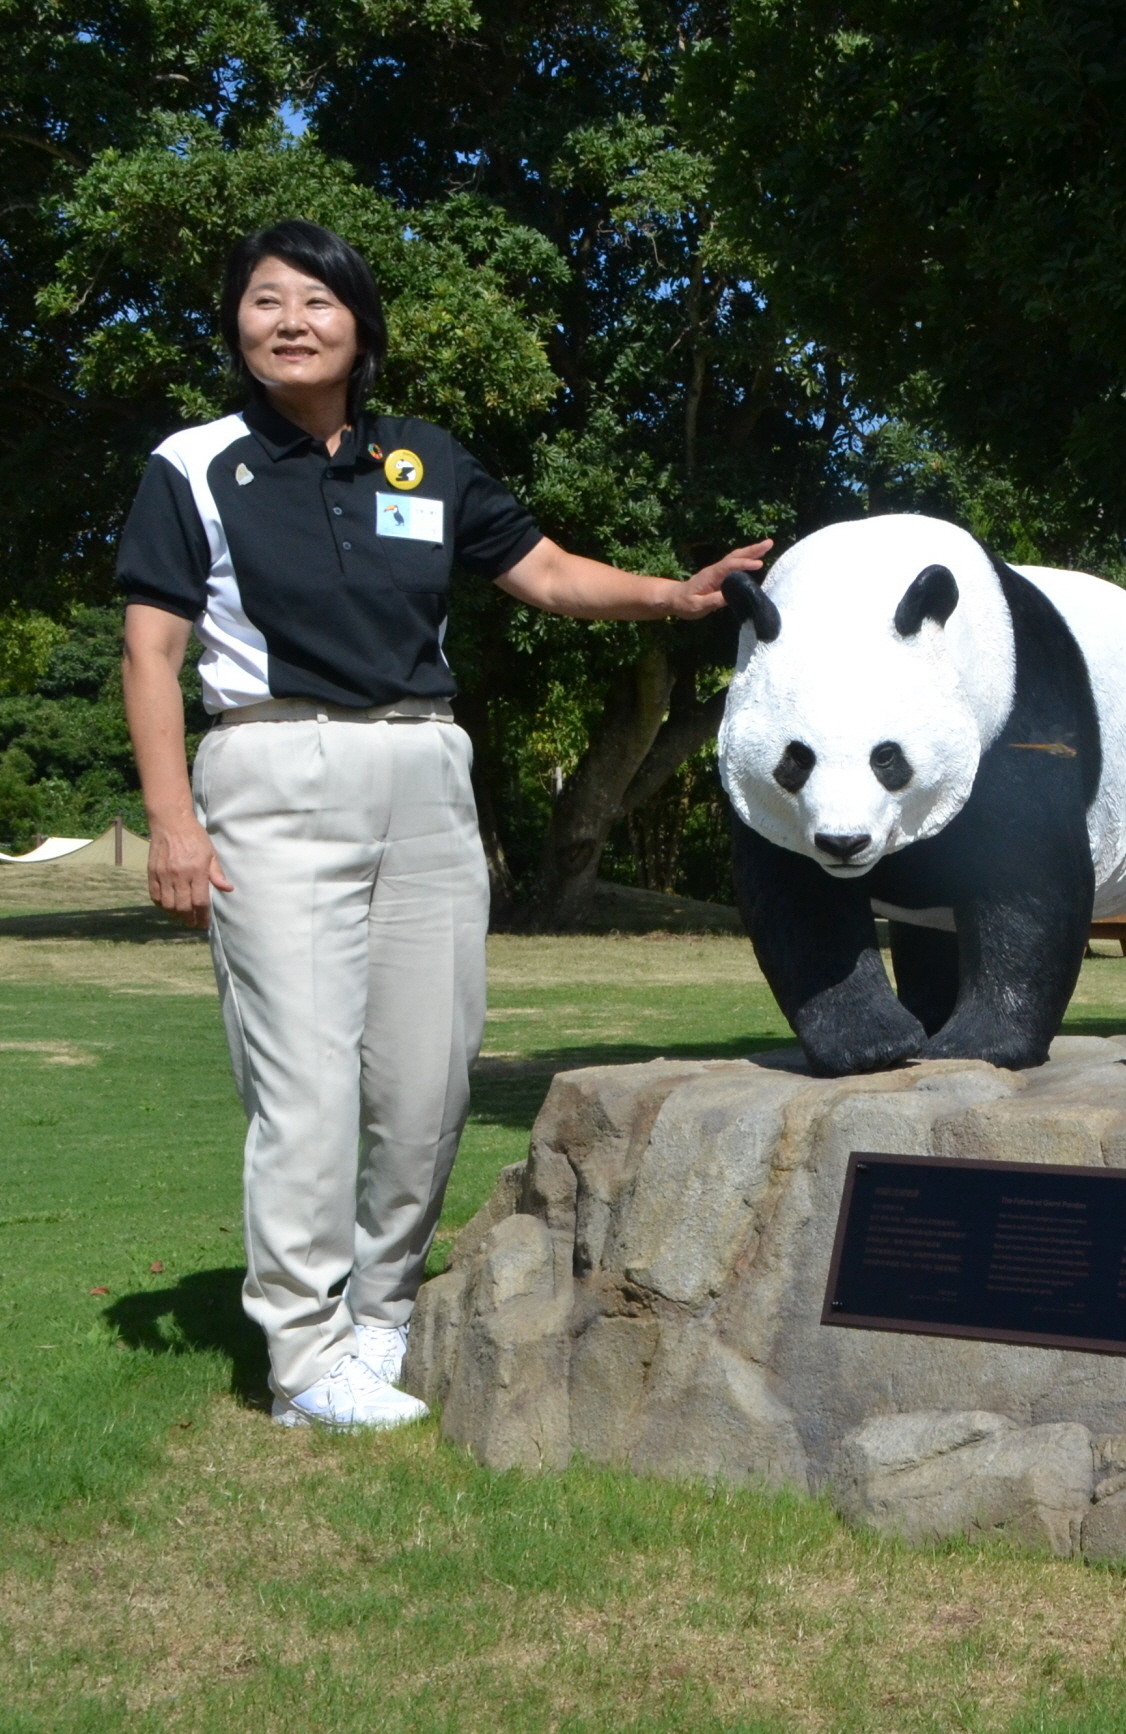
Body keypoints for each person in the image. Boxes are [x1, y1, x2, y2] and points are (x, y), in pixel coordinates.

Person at [117, 220, 771, 1430]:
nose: (291, 321)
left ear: (359, 325)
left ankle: (379, 1314)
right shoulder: (193, 464)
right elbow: (150, 653)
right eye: (265, 302)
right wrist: (172, 823)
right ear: (237, 325)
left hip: (424, 771)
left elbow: (549, 572)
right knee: (306, 1086)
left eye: (317, 300)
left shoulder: (422, 461)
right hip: (273, 765)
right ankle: (304, 1361)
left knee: (425, 1077)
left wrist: (672, 596)